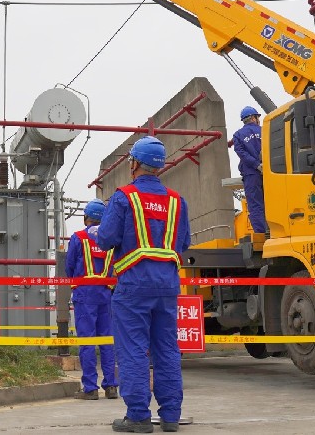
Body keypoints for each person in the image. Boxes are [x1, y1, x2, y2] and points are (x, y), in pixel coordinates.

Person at [98, 136, 191, 434]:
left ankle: (138, 416)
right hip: (167, 285)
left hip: (134, 285)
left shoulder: (124, 197)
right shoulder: (178, 200)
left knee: (134, 350)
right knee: (166, 348)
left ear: (135, 163)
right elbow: (184, 242)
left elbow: (106, 239)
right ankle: (171, 416)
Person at [65, 199, 119, 400]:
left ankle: (90, 388)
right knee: (106, 340)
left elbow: (69, 266)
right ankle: (111, 386)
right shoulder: (110, 241)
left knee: (87, 341)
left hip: (84, 293)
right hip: (105, 293)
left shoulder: (79, 237)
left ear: (86, 217)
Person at [232, 105, 267, 234]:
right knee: (272, 200)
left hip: (251, 173)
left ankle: (262, 234)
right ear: (253, 117)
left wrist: (256, 165)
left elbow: (241, 153)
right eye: (257, 117)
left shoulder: (238, 135)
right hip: (269, 172)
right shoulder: (265, 130)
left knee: (255, 204)